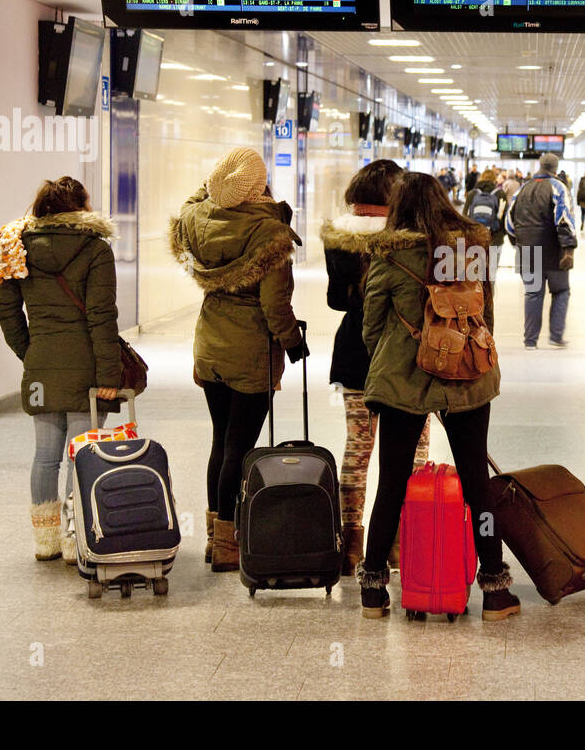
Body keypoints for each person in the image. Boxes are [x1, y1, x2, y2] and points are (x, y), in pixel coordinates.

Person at [357, 172, 519, 621]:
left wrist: (394, 357)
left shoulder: (389, 255)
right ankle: (495, 590)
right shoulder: (470, 249)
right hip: (468, 375)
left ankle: (373, 588)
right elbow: (485, 311)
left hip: (404, 379)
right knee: (476, 484)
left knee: (391, 483)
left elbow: (370, 324)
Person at [170, 147, 306, 572]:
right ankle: (229, 543)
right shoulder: (269, 234)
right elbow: (275, 303)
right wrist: (291, 341)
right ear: (259, 185)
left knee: (220, 439)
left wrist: (220, 184)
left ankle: (215, 533)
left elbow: (196, 199)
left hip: (209, 342)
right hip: (249, 351)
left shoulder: (196, 219)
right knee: (239, 447)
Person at [0, 177, 121, 562]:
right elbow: (102, 317)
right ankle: (73, 539)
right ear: (80, 207)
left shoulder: (16, 248)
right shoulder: (96, 249)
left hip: (42, 364)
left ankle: (44, 541)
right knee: (81, 454)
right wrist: (109, 376)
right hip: (85, 365)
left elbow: (6, 308)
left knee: (45, 455)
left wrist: (29, 351)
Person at [322, 160, 430, 571]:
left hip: (355, 357)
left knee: (358, 450)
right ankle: (401, 544)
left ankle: (352, 545)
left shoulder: (340, 238)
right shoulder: (411, 242)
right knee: (413, 455)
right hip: (406, 359)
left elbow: (336, 301)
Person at [505, 152, 578, 349]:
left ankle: (530, 341)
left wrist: (518, 243)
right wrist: (568, 249)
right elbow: (564, 220)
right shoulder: (558, 187)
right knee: (561, 291)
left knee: (532, 294)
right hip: (554, 251)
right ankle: (555, 336)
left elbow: (509, 223)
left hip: (527, 251)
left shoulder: (522, 189)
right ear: (555, 168)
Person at [465, 167, 508, 281]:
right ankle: (488, 298)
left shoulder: (472, 194)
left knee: (474, 277)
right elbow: (505, 219)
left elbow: (464, 217)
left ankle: (477, 299)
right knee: (490, 277)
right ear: (494, 180)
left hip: (475, 240)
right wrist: (501, 235)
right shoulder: (500, 194)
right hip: (495, 240)